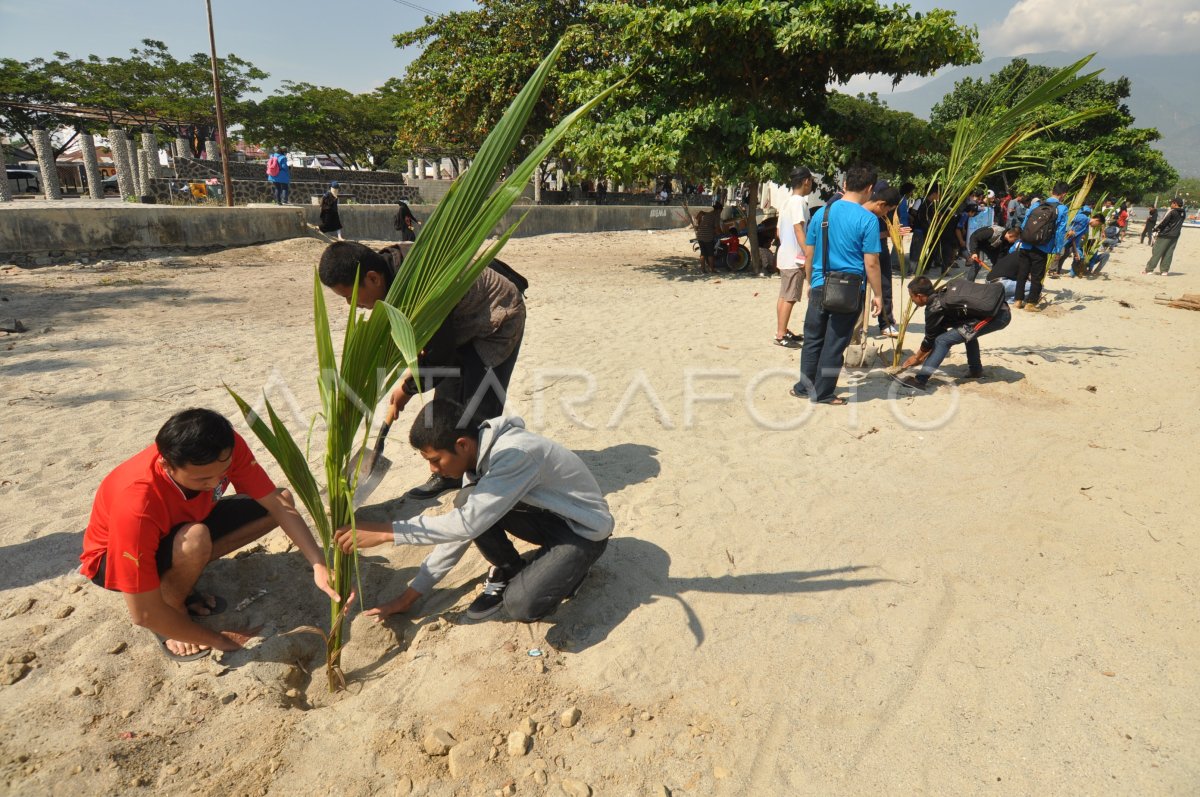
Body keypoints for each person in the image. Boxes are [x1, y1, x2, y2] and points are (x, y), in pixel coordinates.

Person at [79, 409, 339, 661]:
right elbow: (143, 614)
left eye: (223, 473)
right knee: (195, 540)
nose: (215, 484)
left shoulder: (226, 447)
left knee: (283, 499)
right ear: (166, 465)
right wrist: (218, 640)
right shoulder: (136, 502)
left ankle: (179, 577)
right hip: (111, 559)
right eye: (202, 479)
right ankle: (173, 609)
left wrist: (318, 564)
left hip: (184, 526)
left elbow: (275, 503)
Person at [333, 399, 613, 622]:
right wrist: (407, 599)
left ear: (462, 445)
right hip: (547, 516)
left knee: (520, 605)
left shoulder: (513, 455)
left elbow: (465, 525)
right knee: (466, 499)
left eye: (435, 460)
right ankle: (511, 568)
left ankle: (573, 569)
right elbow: (461, 530)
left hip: (582, 531)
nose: (432, 470)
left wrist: (386, 532)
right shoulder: (476, 461)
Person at [318, 241, 526, 498]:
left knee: (477, 408)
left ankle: (483, 480)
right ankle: (449, 474)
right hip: (461, 321)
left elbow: (439, 359)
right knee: (446, 406)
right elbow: (433, 348)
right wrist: (410, 377)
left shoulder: (420, 289)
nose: (351, 305)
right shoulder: (390, 274)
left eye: (349, 296)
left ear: (372, 278)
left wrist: (406, 389)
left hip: (496, 318)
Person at [790, 164, 883, 405]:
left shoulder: (823, 213)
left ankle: (804, 386)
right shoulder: (868, 220)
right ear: (870, 188)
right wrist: (878, 295)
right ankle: (822, 393)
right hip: (849, 290)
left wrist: (811, 281)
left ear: (844, 184)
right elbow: (871, 263)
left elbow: (809, 254)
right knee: (835, 342)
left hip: (820, 283)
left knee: (812, 339)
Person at [891, 276, 1012, 392]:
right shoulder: (942, 295)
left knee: (943, 341)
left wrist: (917, 357)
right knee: (967, 333)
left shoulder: (934, 308)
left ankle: (920, 380)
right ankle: (975, 370)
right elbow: (936, 333)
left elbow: (931, 339)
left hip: (997, 316)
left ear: (920, 296)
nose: (911, 300)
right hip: (1000, 309)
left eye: (912, 297)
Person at [773, 167, 814, 347]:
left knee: (784, 295)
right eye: (811, 180)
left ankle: (782, 329)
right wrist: (807, 252)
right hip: (794, 258)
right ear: (806, 181)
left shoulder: (786, 202)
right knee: (790, 297)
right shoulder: (799, 202)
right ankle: (781, 334)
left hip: (784, 255)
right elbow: (799, 228)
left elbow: (779, 231)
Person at [1014, 181, 1070, 311]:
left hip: (1026, 244)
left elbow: (1025, 223)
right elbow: (1060, 231)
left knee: (1022, 273)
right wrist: (1058, 249)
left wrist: (1024, 237)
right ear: (1063, 195)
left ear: (1052, 191)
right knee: (1037, 276)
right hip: (1042, 247)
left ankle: (1018, 301)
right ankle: (1031, 303)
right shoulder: (1061, 209)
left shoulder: (1037, 204)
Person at [864, 183, 906, 336]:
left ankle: (886, 322)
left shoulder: (886, 212)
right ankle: (859, 323)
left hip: (881, 250)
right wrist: (888, 234)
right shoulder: (864, 212)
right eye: (887, 209)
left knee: (885, 286)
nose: (887, 212)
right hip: (867, 252)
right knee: (861, 289)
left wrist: (895, 232)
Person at [1144, 197, 1185, 275]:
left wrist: (1155, 229)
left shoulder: (1171, 211)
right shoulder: (1183, 212)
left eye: (1172, 203)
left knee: (1157, 251)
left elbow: (1163, 222)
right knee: (1169, 253)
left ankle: (1149, 269)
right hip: (1175, 235)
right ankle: (1164, 271)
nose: (1171, 204)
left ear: (1175, 203)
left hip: (1165, 234)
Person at [694, 198, 727, 274]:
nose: (721, 212)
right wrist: (722, 234)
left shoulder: (709, 213)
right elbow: (717, 228)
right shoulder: (716, 215)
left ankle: (703, 270)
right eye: (721, 210)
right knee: (710, 253)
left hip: (700, 235)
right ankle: (712, 269)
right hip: (707, 236)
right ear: (719, 210)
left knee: (703, 253)